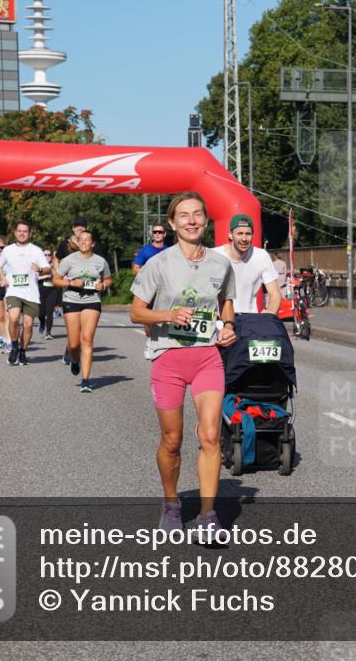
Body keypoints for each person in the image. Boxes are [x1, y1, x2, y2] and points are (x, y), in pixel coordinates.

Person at [129, 191, 237, 534]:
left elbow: (226, 303)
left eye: (198, 214)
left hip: (207, 357)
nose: (192, 220)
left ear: (206, 221)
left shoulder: (221, 264)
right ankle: (172, 503)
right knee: (172, 440)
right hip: (169, 359)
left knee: (210, 435)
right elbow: (135, 312)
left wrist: (229, 326)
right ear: (173, 224)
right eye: (184, 215)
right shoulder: (157, 265)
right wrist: (169, 314)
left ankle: (207, 517)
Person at [54, 231, 112, 393]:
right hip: (71, 300)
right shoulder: (69, 260)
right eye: (82, 240)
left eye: (88, 240)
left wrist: (104, 285)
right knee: (74, 344)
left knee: (87, 339)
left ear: (93, 244)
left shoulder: (100, 261)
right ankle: (74, 360)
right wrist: (72, 282)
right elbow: (56, 280)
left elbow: (108, 278)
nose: (84, 242)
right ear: (78, 243)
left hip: (92, 301)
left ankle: (86, 380)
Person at [0, 221, 49, 366]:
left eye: (25, 231)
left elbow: (48, 269)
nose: (22, 233)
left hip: (31, 292)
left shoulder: (36, 250)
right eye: (19, 231)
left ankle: (23, 351)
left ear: (30, 233)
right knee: (13, 319)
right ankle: (14, 347)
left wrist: (40, 269)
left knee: (28, 325)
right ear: (15, 232)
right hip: (13, 290)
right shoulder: (8, 250)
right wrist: (2, 277)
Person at [55, 216, 104, 364]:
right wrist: (60, 275)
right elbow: (56, 258)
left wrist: (101, 282)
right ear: (73, 228)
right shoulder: (65, 244)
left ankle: (71, 350)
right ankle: (72, 349)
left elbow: (101, 264)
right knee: (74, 326)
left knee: (84, 326)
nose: (79, 228)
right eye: (77, 226)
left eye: (82, 225)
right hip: (71, 288)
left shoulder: (93, 245)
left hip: (90, 292)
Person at [212, 214, 281, 315]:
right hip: (220, 320)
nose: (244, 239)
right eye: (239, 233)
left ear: (253, 235)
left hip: (249, 320)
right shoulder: (214, 255)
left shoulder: (261, 256)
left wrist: (270, 314)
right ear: (230, 235)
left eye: (248, 234)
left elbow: (275, 294)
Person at [133, 223, 169, 359]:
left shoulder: (169, 251)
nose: (157, 234)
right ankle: (150, 339)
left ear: (164, 234)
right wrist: (147, 277)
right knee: (148, 319)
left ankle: (163, 343)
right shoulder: (145, 250)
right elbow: (136, 268)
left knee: (163, 316)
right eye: (155, 232)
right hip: (149, 289)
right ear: (152, 234)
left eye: (160, 232)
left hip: (165, 289)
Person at [38, 248, 58, 340]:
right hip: (41, 289)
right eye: (44, 255)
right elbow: (35, 277)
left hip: (52, 290)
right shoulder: (39, 266)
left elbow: (59, 275)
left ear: (51, 256)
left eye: (49, 255)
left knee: (49, 312)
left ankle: (48, 332)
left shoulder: (55, 265)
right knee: (41, 312)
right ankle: (42, 323)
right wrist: (46, 275)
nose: (47, 257)